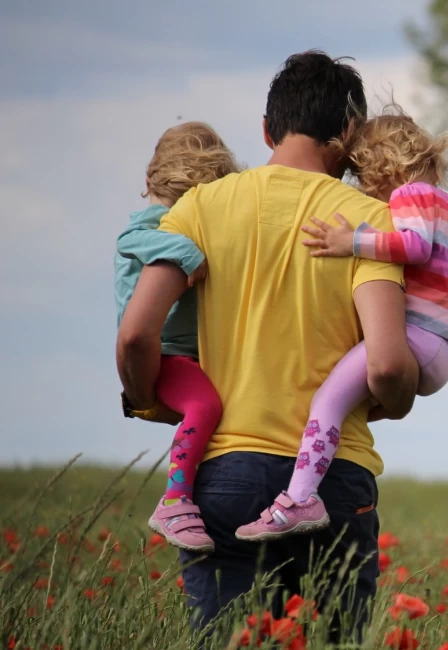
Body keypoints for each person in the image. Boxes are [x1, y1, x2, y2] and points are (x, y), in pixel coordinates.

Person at [116, 50, 419, 634]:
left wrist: (149, 397)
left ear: (265, 129)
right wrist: (398, 398)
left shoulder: (198, 208)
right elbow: (385, 364)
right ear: (349, 133)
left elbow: (135, 333)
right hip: (333, 480)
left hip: (223, 473)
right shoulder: (368, 222)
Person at [235, 111, 448, 541]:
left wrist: (350, 242)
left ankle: (299, 499)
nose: (364, 189)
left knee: (327, 401)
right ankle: (314, 476)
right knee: (350, 402)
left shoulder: (411, 195)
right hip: (446, 352)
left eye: (362, 176)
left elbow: (413, 245)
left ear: (382, 166)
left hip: (415, 339)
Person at [115, 122, 239, 553]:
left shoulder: (176, 219)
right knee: (205, 405)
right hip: (166, 354)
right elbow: (132, 239)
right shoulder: (154, 223)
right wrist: (188, 253)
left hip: (188, 354)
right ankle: (175, 500)